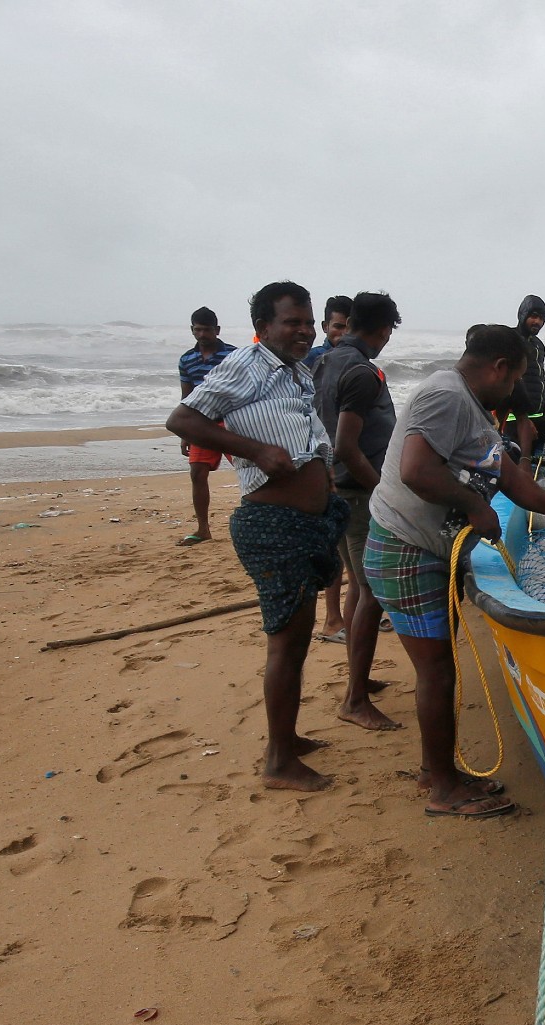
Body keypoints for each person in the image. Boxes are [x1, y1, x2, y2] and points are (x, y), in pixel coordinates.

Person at [366, 324, 545, 817]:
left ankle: (433, 770)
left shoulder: (473, 407)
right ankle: (443, 790)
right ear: (499, 367)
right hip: (406, 551)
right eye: (514, 378)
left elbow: (514, 481)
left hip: (431, 552)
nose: (513, 389)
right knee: (436, 671)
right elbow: (416, 470)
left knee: (441, 666)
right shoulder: (447, 395)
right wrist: (475, 507)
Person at [166, 282, 343, 792]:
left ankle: (287, 738)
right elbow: (182, 418)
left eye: (307, 322)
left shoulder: (295, 370)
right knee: (286, 645)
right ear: (263, 327)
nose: (304, 331)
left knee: (298, 638)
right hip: (272, 525)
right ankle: (279, 762)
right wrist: (255, 450)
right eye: (292, 322)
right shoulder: (248, 363)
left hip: (305, 524)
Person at [314, 292, 403, 733]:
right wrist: (384, 490)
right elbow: (347, 445)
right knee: (372, 593)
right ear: (384, 330)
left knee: (357, 586)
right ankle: (354, 700)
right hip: (360, 494)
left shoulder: (327, 360)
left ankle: (358, 677)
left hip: (340, 488)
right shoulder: (362, 373)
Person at [304, 294, 354, 636]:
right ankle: (332, 619)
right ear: (325, 326)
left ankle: (355, 612)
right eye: (338, 326)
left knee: (352, 547)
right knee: (334, 545)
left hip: (345, 461)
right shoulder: (314, 360)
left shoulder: (352, 360)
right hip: (322, 461)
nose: (343, 332)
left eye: (349, 326)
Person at [175, 307, 236, 546]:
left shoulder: (232, 355)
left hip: (231, 421)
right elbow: (187, 397)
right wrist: (185, 432)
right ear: (192, 330)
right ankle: (203, 529)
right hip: (202, 423)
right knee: (197, 473)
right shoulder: (186, 360)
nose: (202, 334)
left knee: (249, 471)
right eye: (198, 330)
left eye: (207, 330)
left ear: (217, 330)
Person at [500, 295, 545, 465]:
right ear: (523, 315)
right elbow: (507, 379)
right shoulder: (509, 339)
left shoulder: (539, 345)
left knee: (538, 467)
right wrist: (523, 420)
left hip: (540, 417)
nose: (537, 322)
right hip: (515, 420)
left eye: (542, 319)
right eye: (534, 316)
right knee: (516, 464)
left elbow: (539, 376)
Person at [303, 295, 353, 371]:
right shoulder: (311, 357)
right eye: (339, 327)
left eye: (350, 328)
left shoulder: (359, 359)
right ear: (325, 327)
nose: (345, 333)